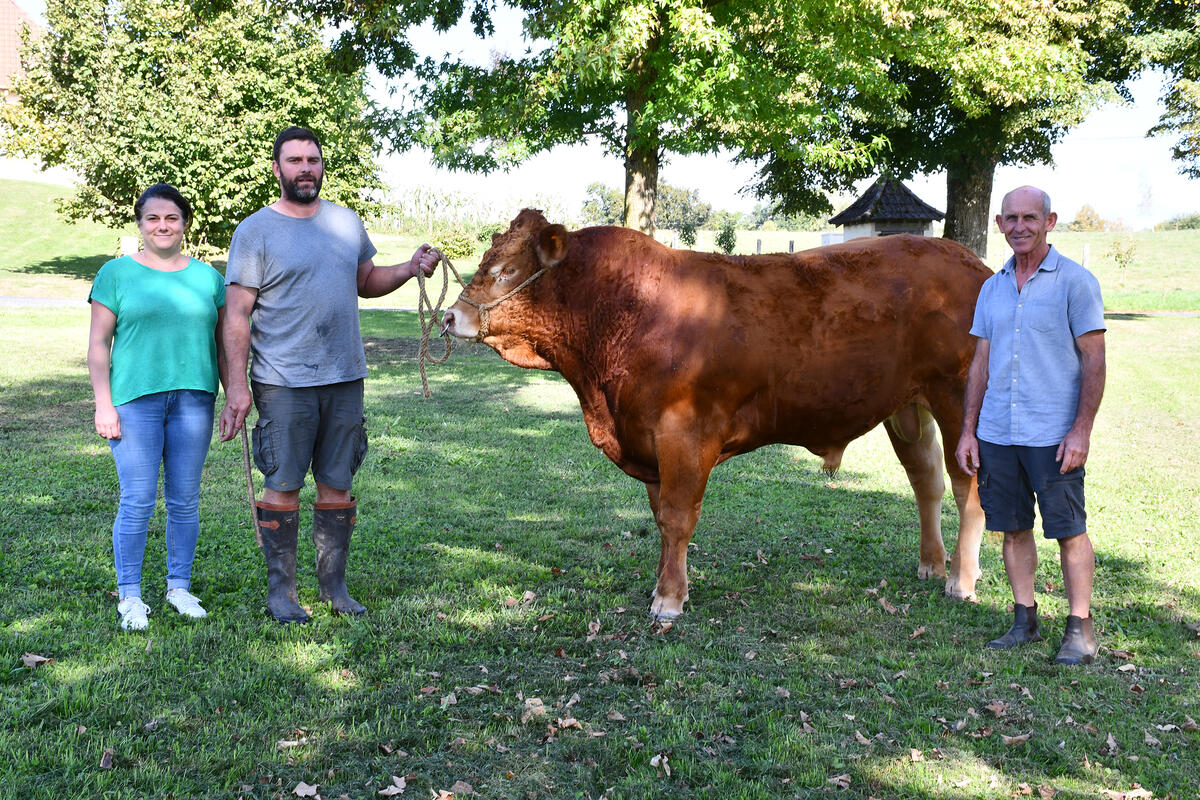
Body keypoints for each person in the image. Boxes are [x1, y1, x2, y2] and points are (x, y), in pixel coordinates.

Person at [218, 126, 439, 624]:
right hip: (282, 380)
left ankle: (335, 590)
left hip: (344, 376)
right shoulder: (255, 231)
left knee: (337, 483)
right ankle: (282, 594)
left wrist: (410, 267)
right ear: (276, 168)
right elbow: (236, 315)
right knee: (284, 483)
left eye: (313, 160)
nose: (305, 169)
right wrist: (236, 385)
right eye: (294, 160)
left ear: (322, 165)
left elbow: (366, 281)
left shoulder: (345, 223)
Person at [955, 185, 1106, 665]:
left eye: (1029, 218)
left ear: (1050, 221)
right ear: (999, 224)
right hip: (998, 433)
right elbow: (980, 362)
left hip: (1053, 436)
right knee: (1013, 529)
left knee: (1068, 530)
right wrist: (967, 429)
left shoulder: (1075, 282)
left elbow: (1095, 360)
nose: (1019, 227)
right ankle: (1025, 620)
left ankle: (1079, 630)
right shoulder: (992, 287)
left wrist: (1081, 430)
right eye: (1010, 219)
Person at [88, 184, 227, 631]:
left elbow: (225, 345)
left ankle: (178, 587)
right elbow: (97, 344)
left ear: (185, 223)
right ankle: (129, 595)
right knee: (137, 500)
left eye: (171, 217)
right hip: (134, 402)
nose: (163, 226)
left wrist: (235, 394)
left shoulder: (209, 278)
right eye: (153, 218)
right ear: (140, 223)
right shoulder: (115, 273)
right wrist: (103, 405)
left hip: (193, 400)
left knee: (185, 500)